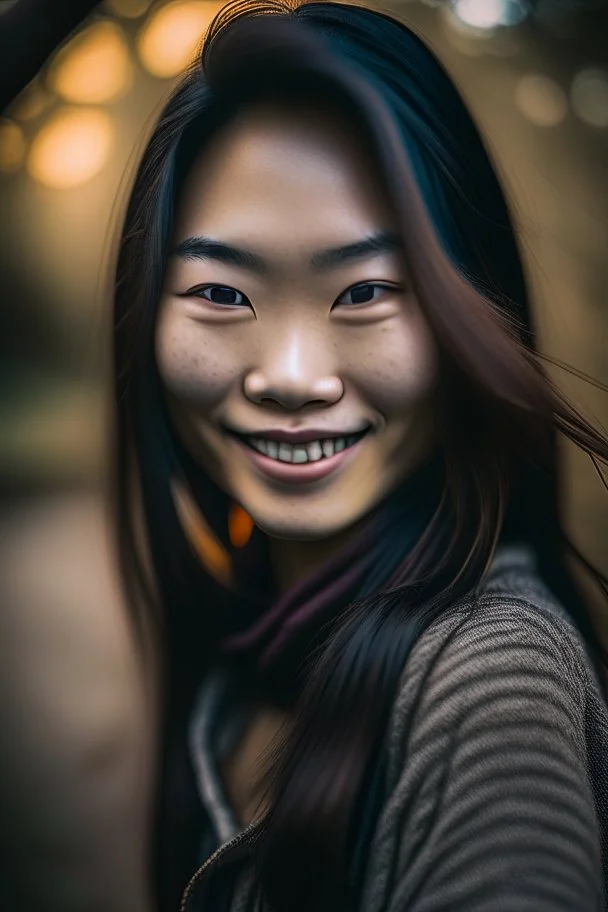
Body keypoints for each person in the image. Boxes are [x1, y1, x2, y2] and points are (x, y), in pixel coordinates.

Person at [110, 2, 608, 910]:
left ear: (471, 315)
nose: (293, 378)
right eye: (222, 291)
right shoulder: (255, 634)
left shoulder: (495, 680)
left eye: (367, 290)